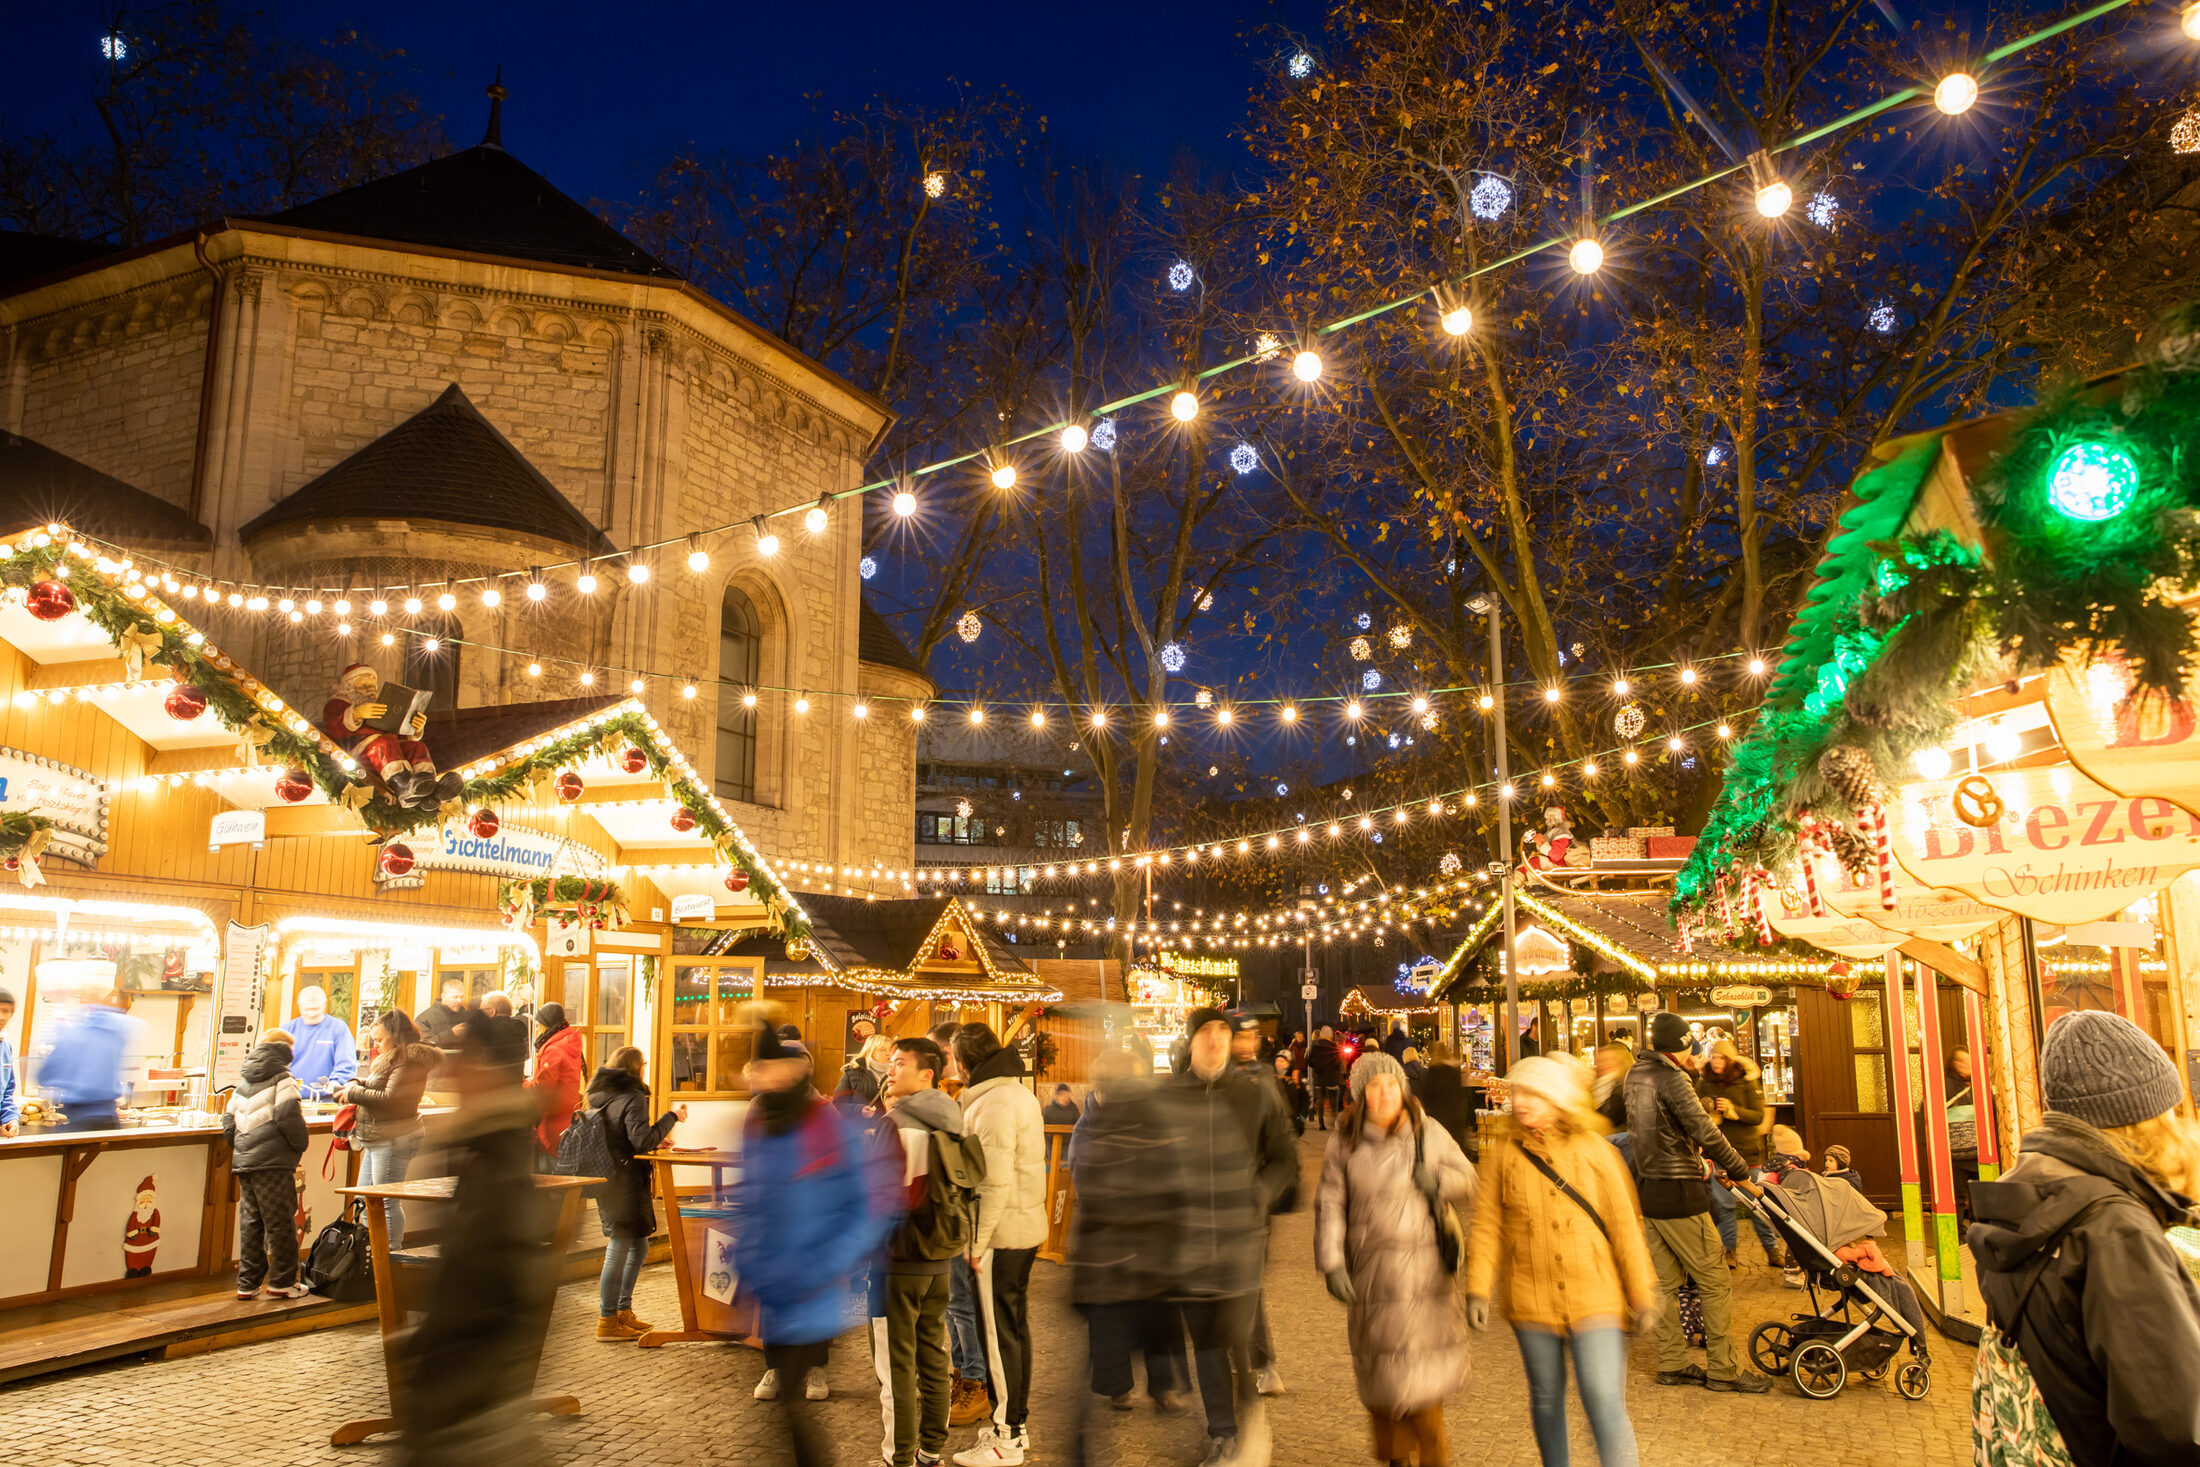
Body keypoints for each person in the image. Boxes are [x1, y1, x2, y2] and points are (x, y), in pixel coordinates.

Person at [1969, 1011, 2200, 1467]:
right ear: (2141, 1117)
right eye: (2170, 1108)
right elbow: (2173, 1422)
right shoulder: (2114, 1228)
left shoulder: (2025, 1197)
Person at [1467, 1056, 1654, 1467]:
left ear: (1558, 1100)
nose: (1522, 1102)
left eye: (1534, 1093)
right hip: (1530, 1295)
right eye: (1518, 1093)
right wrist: (1478, 1287)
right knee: (1547, 1397)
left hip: (1596, 1294)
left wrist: (1641, 1294)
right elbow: (1486, 1224)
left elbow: (1625, 1225)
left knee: (1603, 1398)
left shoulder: (1595, 1151)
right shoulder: (1504, 1154)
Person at [394, 1010, 559, 1466]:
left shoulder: (494, 1163)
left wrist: (432, 1360)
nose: (453, 1074)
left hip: (468, 1422)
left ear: (487, 1069)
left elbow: (485, 1289)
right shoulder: (487, 1149)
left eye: (463, 1062)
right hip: (468, 1410)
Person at [733, 1022, 883, 1467]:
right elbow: (755, 1194)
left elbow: (866, 1204)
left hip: (816, 1274)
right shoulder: (760, 1120)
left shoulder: (826, 1122)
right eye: (758, 1070)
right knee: (786, 1415)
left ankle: (814, 1371)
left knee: (795, 1418)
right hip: (774, 1275)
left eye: (771, 1069)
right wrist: (749, 1256)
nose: (761, 1078)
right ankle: (779, 1372)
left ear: (797, 1071)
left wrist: (829, 1261)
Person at [1318, 1049, 1476, 1467]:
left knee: (1424, 1388)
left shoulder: (1428, 1131)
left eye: (1391, 1084)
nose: (1385, 1093)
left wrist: (1438, 1180)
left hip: (1426, 1276)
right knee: (1382, 1382)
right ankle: (1394, 1458)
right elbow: (1331, 1203)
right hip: (1373, 1274)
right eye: (1374, 1085)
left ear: (1402, 1088)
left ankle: (1432, 1459)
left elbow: (1468, 1177)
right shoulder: (1345, 1141)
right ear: (1360, 1093)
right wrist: (1331, 1261)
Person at [1174, 1006, 1298, 1464]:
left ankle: (1249, 1420)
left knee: (1239, 1334)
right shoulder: (1169, 1098)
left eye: (1222, 1032)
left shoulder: (1253, 1094)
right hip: (1189, 1241)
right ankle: (1224, 1433)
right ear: (1191, 1042)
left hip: (1243, 1236)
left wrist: (1258, 1193)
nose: (1215, 1041)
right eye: (1205, 1032)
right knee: (1207, 1340)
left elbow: (1284, 1159)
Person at [1623, 1010, 1770, 1393]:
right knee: (1715, 1279)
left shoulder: (1635, 1074)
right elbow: (1704, 1130)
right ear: (1680, 1046)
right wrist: (1739, 1171)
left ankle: (1672, 1362)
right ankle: (1723, 1368)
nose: (1697, 1054)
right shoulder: (1674, 1079)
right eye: (1691, 1046)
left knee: (1666, 1283)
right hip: (1680, 1190)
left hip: (1649, 1188)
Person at [1068, 1047, 1184, 1441]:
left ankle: (1162, 1385)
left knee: (1157, 1317)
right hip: (1109, 1239)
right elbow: (1085, 1176)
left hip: (1148, 1238)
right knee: (1112, 1321)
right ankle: (1119, 1387)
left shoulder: (1151, 1117)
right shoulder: (1089, 1123)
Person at [872, 1035, 974, 1467]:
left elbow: (888, 1196)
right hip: (939, 1257)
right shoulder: (951, 1118)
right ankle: (931, 1450)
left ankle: (899, 1458)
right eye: (890, 1063)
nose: (890, 1071)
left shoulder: (902, 1124)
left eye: (899, 1064)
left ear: (926, 1074)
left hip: (898, 1261)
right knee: (934, 1358)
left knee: (896, 1367)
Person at [951, 1022, 1047, 1466]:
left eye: (953, 1058)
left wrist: (975, 1242)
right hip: (1021, 1227)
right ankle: (1015, 1426)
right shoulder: (1015, 1093)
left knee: (996, 1333)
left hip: (1001, 1234)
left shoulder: (994, 1104)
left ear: (966, 1062)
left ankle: (1007, 1439)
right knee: (1012, 1329)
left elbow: (992, 1182)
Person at [587, 1045, 685, 1341]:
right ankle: (607, 1319)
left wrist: (657, 1139)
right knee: (618, 1248)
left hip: (609, 1177)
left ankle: (622, 1311)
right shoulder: (632, 1097)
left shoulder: (600, 1096)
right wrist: (672, 1117)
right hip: (624, 1182)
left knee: (639, 1246)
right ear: (636, 1068)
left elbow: (623, 1138)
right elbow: (641, 1141)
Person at [1229, 1009, 1295, 1398]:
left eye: (1250, 1037)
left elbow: (1281, 1141)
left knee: (1247, 1288)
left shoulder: (1261, 1079)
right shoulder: (1218, 1077)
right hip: (1221, 1198)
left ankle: (1262, 1364)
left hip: (1251, 1202)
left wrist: (1263, 1192)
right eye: (1242, 1036)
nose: (1246, 1044)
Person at [225, 1028, 310, 1299]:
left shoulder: (244, 1082)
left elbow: (228, 1124)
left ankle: (247, 1285)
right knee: (280, 1223)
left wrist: (242, 1149)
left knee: (251, 1222)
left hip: (245, 1162)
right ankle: (282, 1282)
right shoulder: (283, 1080)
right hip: (273, 1163)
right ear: (286, 1053)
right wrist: (298, 1147)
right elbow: (289, 1120)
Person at [343, 1010, 438, 1249]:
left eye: (379, 1039)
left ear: (396, 1037)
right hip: (379, 1137)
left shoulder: (409, 1060)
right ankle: (373, 1255)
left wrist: (353, 1093)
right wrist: (356, 1083)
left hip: (395, 1137)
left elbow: (391, 1099)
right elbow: (379, 1086)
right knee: (365, 1199)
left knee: (386, 1202)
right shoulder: (394, 1058)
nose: (376, 1045)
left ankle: (390, 1257)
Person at [323, 660, 463, 808]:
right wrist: (356, 713)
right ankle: (402, 786)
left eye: (373, 686)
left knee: (417, 746)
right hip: (362, 752)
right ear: (348, 686)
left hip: (393, 750)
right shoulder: (337, 704)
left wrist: (415, 727)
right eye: (364, 686)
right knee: (384, 743)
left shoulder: (383, 706)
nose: (370, 689)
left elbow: (397, 731)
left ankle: (429, 787)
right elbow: (333, 727)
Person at [1696, 1039, 1782, 1268]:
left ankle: (1772, 1250)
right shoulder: (1704, 1082)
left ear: (1729, 1059)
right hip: (1718, 1155)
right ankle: (1729, 1252)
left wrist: (1735, 1111)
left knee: (1759, 1205)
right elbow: (1695, 1109)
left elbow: (1757, 1116)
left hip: (1748, 1154)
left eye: (1721, 1057)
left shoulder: (1746, 1080)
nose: (1716, 1062)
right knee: (1724, 1207)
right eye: (1713, 1057)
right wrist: (1708, 1105)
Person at [37, 984, 138, 1132]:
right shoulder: (118, 1032)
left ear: (84, 1005)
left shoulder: (74, 1034)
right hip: (109, 1118)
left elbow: (45, 1077)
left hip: (78, 1118)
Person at [524, 1003, 584, 1161]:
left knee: (550, 1174)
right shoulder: (566, 1043)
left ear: (546, 1026)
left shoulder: (555, 1049)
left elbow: (543, 1088)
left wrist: (522, 1085)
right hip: (565, 1113)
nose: (536, 1030)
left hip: (553, 1119)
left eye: (538, 1026)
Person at [1415, 1041, 1472, 1157]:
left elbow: (1427, 1096)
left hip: (1438, 1118)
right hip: (1454, 1117)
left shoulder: (1433, 1071)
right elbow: (1460, 1094)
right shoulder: (1454, 1070)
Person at [416, 976, 468, 1055]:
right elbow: (422, 1047)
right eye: (455, 997)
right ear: (443, 996)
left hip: (465, 1064)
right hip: (437, 1064)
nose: (459, 1001)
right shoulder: (423, 1019)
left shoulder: (467, 1016)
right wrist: (451, 1034)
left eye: (461, 997)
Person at [1308, 1025, 1346, 1131]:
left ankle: (1321, 1124)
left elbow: (1310, 1061)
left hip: (1319, 1077)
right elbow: (1337, 1062)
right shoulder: (1334, 1046)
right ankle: (1334, 1121)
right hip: (1332, 1077)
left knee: (1321, 1099)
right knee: (1333, 1100)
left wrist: (1317, 1069)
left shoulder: (1315, 1046)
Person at [0, 987, 18, 1137]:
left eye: (6, 1011)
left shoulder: (5, 1047)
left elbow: (6, 1093)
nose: (1, 1017)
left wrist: (10, 1119)